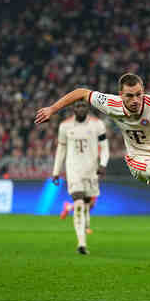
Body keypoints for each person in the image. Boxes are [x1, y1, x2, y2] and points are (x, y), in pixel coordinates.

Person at [35, 73, 150, 276]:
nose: (135, 100)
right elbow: (81, 93)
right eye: (129, 96)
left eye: (138, 94)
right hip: (139, 158)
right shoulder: (111, 103)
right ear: (121, 95)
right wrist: (52, 109)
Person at [51, 101, 109, 254]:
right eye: (77, 106)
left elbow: (104, 147)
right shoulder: (64, 126)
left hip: (92, 170)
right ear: (73, 109)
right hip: (73, 170)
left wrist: (103, 164)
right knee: (78, 203)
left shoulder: (98, 124)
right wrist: (56, 171)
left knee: (88, 204)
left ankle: (81, 219)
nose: (81, 109)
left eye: (83, 106)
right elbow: (61, 149)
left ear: (88, 108)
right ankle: (81, 244)